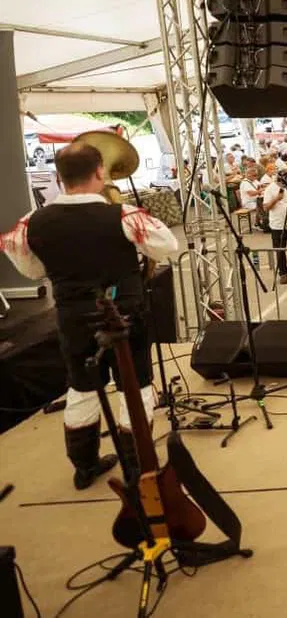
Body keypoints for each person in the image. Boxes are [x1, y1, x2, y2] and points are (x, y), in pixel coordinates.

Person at [1, 142, 178, 489]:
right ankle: (137, 466)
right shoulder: (124, 216)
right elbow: (167, 247)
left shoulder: (31, 222)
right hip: (125, 315)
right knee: (136, 385)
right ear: (100, 171)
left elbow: (31, 269)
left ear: (58, 177)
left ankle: (84, 466)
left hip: (72, 318)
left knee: (81, 387)